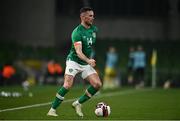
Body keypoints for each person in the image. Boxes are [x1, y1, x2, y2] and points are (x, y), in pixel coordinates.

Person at [47, 7, 102, 117]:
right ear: (82, 17)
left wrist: (88, 60)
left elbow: (89, 46)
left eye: (93, 15)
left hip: (85, 63)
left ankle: (78, 103)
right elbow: (78, 52)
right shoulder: (76, 32)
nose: (93, 18)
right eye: (90, 16)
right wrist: (89, 60)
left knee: (97, 84)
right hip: (74, 61)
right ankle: (52, 110)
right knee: (67, 85)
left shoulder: (94, 30)